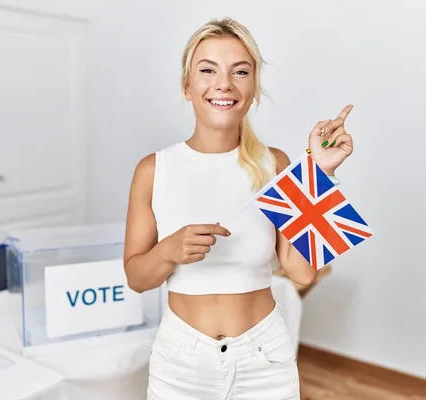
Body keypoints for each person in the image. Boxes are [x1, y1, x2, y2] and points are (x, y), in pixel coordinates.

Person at [123, 17, 354, 400]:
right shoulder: (152, 169)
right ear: (187, 86)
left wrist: (320, 174)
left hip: (265, 359)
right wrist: (168, 251)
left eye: (240, 71)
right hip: (180, 362)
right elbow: (136, 277)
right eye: (208, 70)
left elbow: (303, 272)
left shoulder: (276, 163)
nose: (224, 84)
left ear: (254, 89)